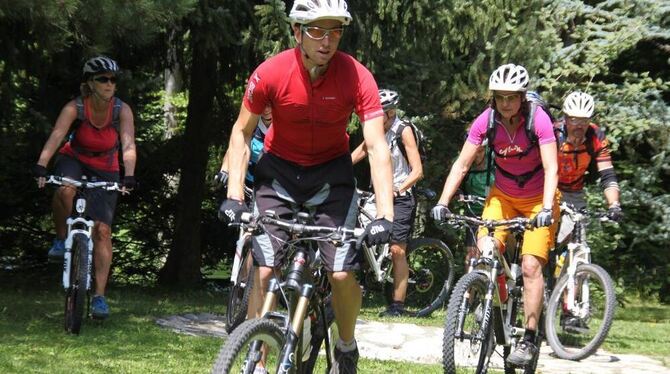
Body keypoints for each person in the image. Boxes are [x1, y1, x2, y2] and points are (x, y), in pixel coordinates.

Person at [218, 1, 394, 372]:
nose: (326, 40)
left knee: (341, 271)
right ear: (296, 32)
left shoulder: (357, 76)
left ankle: (345, 346)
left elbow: (377, 145)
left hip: (332, 179)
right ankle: (259, 357)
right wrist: (234, 195)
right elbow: (241, 131)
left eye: (334, 31)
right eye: (316, 30)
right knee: (265, 269)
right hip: (279, 174)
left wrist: (384, 215)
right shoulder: (270, 73)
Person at [431, 63, 560, 368]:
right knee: (486, 249)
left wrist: (544, 209)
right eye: (499, 97)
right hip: (501, 196)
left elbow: (551, 167)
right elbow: (462, 164)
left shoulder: (538, 120)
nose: (505, 103)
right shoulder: (486, 121)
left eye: (511, 97)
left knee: (530, 266)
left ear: (522, 97)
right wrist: (443, 201)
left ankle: (529, 337)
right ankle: (492, 296)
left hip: (538, 200)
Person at [32, 56, 137, 319]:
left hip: (106, 165)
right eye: (103, 79)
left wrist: (129, 175)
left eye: (113, 80)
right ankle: (60, 238)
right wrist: (42, 165)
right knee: (65, 189)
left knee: (102, 231)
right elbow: (57, 135)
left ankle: (99, 297)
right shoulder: (75, 107)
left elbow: (128, 145)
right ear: (89, 83)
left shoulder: (121, 110)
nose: (109, 84)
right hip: (74, 159)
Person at [351, 89, 423, 317]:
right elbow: (362, 150)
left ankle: (397, 306)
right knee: (359, 238)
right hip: (379, 196)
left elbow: (418, 171)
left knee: (397, 250)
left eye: (377, 114)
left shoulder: (404, 131)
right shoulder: (376, 131)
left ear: (390, 113)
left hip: (401, 197)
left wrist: (397, 189)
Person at [555, 91, 622, 241]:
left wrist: (614, 205)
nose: (579, 125)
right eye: (574, 120)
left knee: (578, 243)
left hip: (574, 192)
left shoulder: (596, 137)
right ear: (565, 118)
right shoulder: (554, 134)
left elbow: (608, 175)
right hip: (547, 190)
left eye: (584, 120)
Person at [456, 136, 494, 265]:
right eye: (475, 151)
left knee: (491, 251)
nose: (477, 155)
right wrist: (460, 194)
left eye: (481, 151)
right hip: (473, 212)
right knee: (471, 255)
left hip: (494, 212)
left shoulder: (494, 161)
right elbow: (456, 182)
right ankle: (469, 284)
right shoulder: (465, 162)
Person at [215, 106, 272, 188]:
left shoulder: (283, 125)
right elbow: (235, 146)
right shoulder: (250, 121)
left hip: (271, 187)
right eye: (264, 105)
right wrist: (225, 170)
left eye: (270, 105)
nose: (266, 109)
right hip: (245, 182)